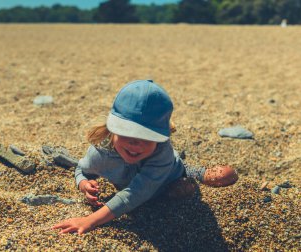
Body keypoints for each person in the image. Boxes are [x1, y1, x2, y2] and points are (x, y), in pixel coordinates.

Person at [52, 80, 238, 235]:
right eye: (127, 133)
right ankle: (168, 191)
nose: (135, 144)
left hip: (170, 171)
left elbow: (134, 194)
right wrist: (84, 184)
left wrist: (90, 221)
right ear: (112, 129)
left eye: (146, 137)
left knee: (226, 175)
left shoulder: (162, 152)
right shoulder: (100, 154)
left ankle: (191, 173)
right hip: (144, 184)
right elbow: (81, 170)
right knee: (162, 193)